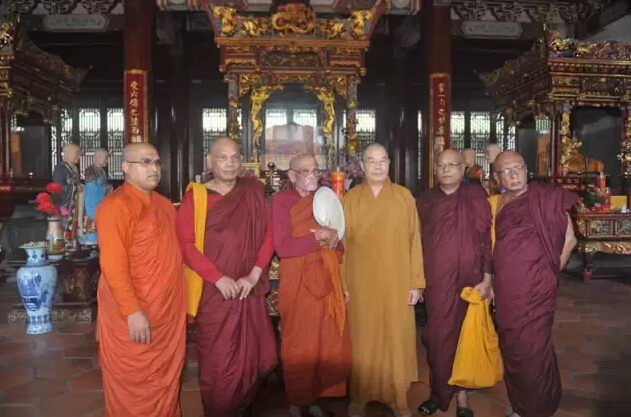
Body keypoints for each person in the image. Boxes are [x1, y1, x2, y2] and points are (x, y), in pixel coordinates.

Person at [176, 137, 277, 417]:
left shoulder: (253, 191)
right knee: (217, 358)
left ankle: (245, 408)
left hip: (247, 289)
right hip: (214, 292)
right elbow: (186, 245)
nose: (230, 163)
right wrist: (218, 278)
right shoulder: (197, 196)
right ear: (210, 161)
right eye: (223, 157)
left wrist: (254, 275)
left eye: (235, 157)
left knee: (250, 355)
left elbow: (269, 235)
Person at [95, 143, 187, 417]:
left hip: (165, 310)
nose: (154, 168)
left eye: (156, 162)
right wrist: (132, 311)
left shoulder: (164, 205)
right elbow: (113, 265)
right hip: (132, 311)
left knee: (165, 378)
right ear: (125, 167)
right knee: (135, 383)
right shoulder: (114, 207)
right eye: (145, 162)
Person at [490, 151, 578, 417]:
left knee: (534, 349)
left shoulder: (546, 198)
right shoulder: (498, 204)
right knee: (512, 347)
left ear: (526, 169)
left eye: (517, 168)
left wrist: (550, 270)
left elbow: (570, 239)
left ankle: (538, 408)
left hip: (538, 287)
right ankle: (521, 405)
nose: (513, 175)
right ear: (497, 178)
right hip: (506, 290)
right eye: (506, 171)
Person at [342, 143, 425, 417]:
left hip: (397, 280)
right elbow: (342, 245)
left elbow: (415, 242)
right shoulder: (351, 198)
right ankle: (360, 396)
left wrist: (416, 283)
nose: (378, 166)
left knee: (396, 337)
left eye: (383, 161)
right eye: (372, 161)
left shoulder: (404, 196)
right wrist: (343, 284)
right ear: (362, 166)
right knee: (362, 340)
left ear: (390, 164)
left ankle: (398, 398)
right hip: (361, 281)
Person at [272, 154, 351, 417]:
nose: (312, 176)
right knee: (299, 344)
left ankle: (314, 397)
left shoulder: (325, 199)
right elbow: (284, 247)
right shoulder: (282, 201)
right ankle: (297, 403)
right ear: (291, 175)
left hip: (324, 282)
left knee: (324, 343)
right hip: (298, 285)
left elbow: (339, 245)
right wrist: (318, 238)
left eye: (315, 171)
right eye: (304, 171)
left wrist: (332, 241)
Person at [416, 150, 493, 417]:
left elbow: (486, 238)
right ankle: (437, 394)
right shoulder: (425, 200)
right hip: (437, 281)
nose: (446, 170)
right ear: (435, 169)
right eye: (441, 165)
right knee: (437, 338)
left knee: (465, 338)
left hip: (471, 281)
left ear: (463, 169)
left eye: (452, 165)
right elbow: (414, 242)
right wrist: (417, 280)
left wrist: (487, 278)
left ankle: (462, 398)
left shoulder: (475, 196)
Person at [52, 143, 82, 242]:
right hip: (64, 204)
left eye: (79, 154)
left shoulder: (75, 168)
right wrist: (74, 187)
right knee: (64, 227)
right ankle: (64, 245)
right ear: (68, 154)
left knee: (75, 226)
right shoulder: (60, 168)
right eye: (77, 153)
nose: (79, 156)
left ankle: (73, 243)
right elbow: (57, 187)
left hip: (75, 204)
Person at [83, 148, 112, 235]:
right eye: (105, 158)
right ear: (98, 157)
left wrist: (107, 188)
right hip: (92, 201)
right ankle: (90, 238)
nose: (107, 160)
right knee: (92, 219)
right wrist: (104, 188)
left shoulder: (102, 170)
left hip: (101, 200)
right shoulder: (91, 170)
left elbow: (104, 184)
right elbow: (91, 188)